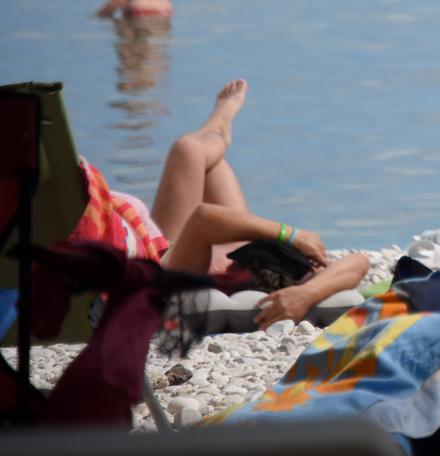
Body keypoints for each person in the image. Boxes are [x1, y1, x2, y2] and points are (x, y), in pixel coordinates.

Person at [83, 79, 368, 328]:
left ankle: (217, 127)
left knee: (188, 149)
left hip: (176, 249)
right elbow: (359, 262)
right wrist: (308, 293)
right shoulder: (305, 283)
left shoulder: (198, 271)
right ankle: (218, 131)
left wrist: (291, 235)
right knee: (208, 162)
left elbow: (205, 218)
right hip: (239, 243)